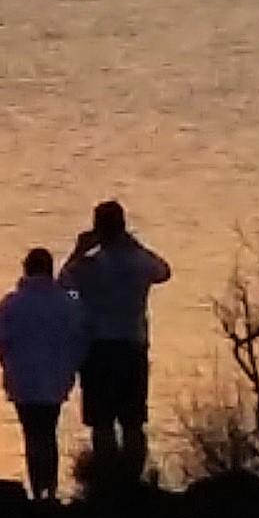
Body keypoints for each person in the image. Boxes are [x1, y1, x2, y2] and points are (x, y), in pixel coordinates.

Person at [59, 199, 175, 488]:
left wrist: (79, 250)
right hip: (133, 345)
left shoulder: (89, 266)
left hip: (98, 348)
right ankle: (132, 480)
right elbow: (164, 271)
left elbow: (63, 284)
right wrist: (135, 245)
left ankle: (109, 481)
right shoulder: (140, 262)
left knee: (102, 421)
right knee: (133, 421)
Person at [0, 247, 92, 503]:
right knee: (48, 431)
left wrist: (9, 367)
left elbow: (0, 343)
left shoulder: (10, 304)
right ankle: (49, 490)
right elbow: (80, 340)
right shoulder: (68, 304)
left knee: (32, 433)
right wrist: (69, 369)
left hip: (23, 379)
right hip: (55, 380)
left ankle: (38, 489)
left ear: (26, 269)